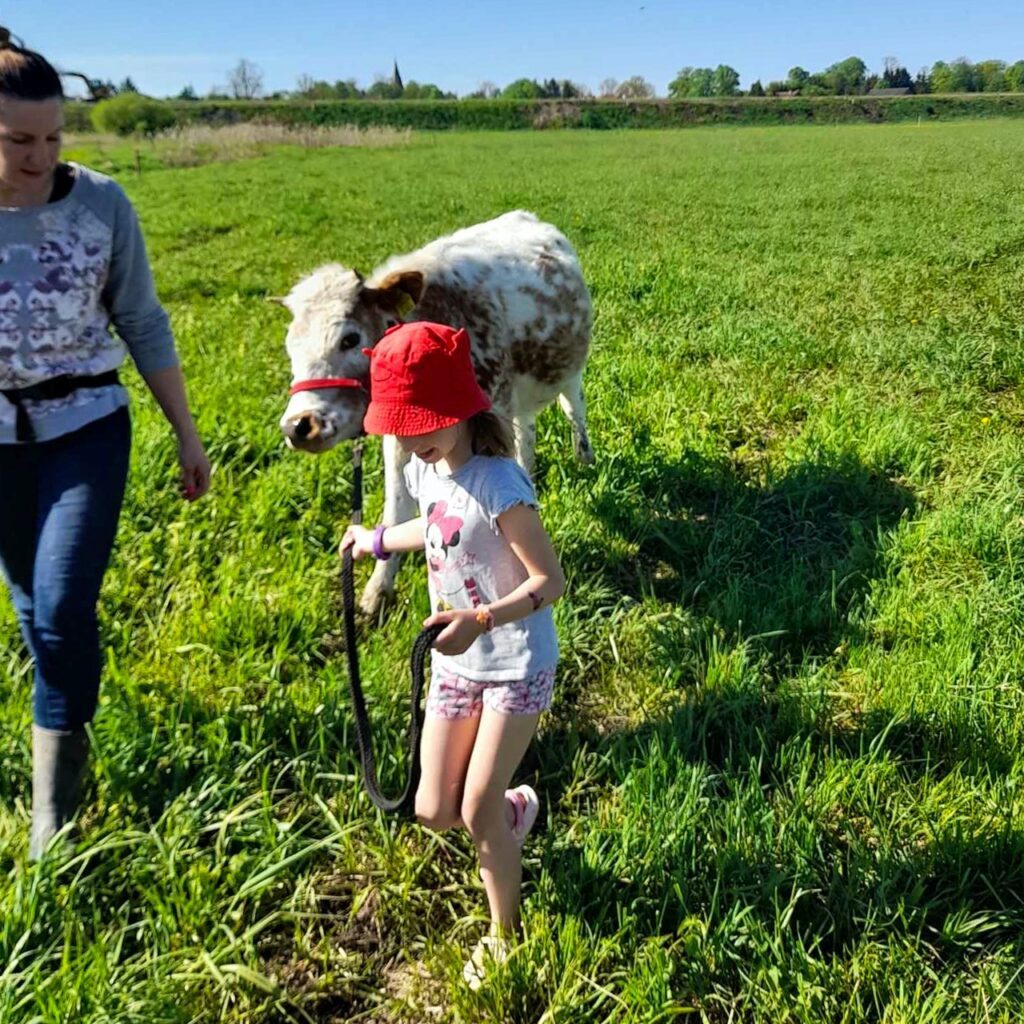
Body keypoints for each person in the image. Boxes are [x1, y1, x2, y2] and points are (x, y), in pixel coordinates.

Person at [0, 34, 211, 859]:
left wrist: (187, 434)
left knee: (57, 607)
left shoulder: (101, 205)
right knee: (32, 607)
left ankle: (56, 819)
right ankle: (61, 729)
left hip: (85, 425)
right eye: (19, 141)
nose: (41, 156)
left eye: (54, 138)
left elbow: (143, 320)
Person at [341, 321, 565, 988]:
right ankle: (513, 812)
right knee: (432, 808)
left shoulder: (501, 483)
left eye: (422, 423)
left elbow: (551, 581)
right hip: (456, 663)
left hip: (515, 662)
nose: (410, 440)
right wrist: (378, 540)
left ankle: (505, 934)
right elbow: (436, 525)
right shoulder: (426, 463)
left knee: (473, 811)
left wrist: (484, 617)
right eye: (399, 428)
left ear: (464, 409)